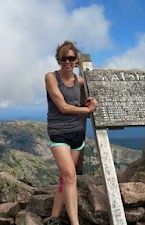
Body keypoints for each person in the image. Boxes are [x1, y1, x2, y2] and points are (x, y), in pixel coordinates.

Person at [45, 40, 98, 225]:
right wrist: (87, 110)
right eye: (63, 58)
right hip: (58, 133)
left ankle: (54, 217)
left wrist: (88, 102)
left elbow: (84, 95)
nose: (67, 62)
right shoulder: (51, 77)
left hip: (76, 133)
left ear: (76, 60)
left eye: (71, 58)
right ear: (58, 60)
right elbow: (63, 107)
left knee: (64, 177)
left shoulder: (79, 81)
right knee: (70, 176)